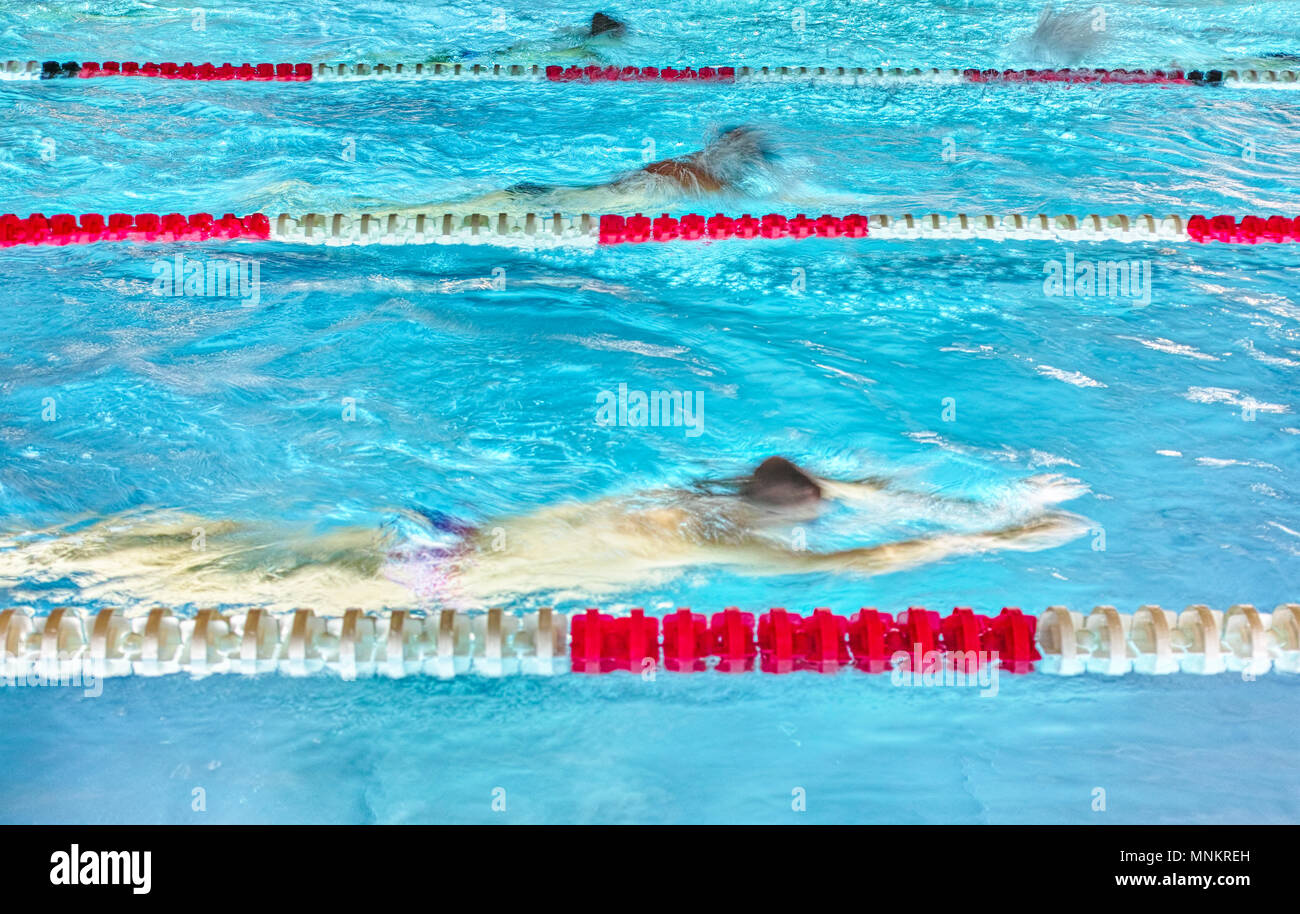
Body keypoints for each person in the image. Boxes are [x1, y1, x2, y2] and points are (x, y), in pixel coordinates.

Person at [0, 458, 1088, 612]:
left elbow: (837, 486)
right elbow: (865, 558)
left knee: (203, 540)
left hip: (442, 527)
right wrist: (987, 542)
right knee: (207, 596)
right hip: (440, 578)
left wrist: (962, 501)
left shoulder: (704, 492)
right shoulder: (733, 549)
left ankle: (28, 546)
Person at [371, 126, 781, 217]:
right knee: (510, 202)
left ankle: (392, 210)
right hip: (607, 199)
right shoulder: (707, 179)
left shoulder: (693, 166)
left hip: (600, 191)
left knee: (514, 197)